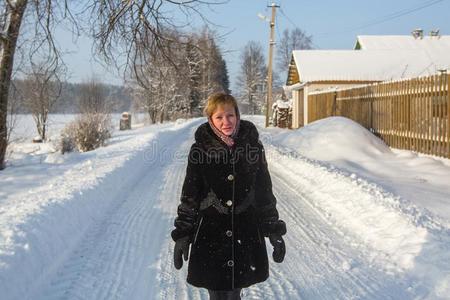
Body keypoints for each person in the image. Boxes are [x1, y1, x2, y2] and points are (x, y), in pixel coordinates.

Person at [171, 92, 286, 300]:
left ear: (237, 115)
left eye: (230, 115)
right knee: (216, 292)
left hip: (245, 231)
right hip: (210, 234)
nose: (226, 122)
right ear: (210, 119)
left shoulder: (253, 148)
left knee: (234, 292)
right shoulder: (200, 150)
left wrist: (273, 229)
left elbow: (264, 192)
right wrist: (183, 234)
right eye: (219, 117)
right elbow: (190, 196)